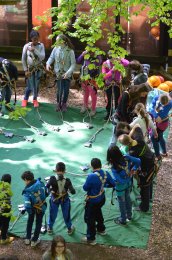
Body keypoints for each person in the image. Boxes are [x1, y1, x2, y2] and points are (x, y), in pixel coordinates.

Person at [118, 126, 156, 212]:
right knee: (149, 182)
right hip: (151, 161)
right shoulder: (139, 138)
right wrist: (129, 136)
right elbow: (137, 126)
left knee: (144, 186)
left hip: (145, 168)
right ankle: (148, 197)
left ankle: (144, 207)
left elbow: (132, 163)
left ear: (126, 144)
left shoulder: (132, 152)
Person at [82, 158, 116, 245]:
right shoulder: (105, 173)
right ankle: (101, 229)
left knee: (90, 219)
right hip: (101, 198)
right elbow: (113, 183)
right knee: (98, 212)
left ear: (92, 166)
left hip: (93, 201)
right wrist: (103, 186)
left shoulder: (91, 176)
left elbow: (85, 188)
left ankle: (91, 238)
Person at [107, 146, 141, 224]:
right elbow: (138, 161)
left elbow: (119, 180)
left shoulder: (114, 167)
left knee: (122, 203)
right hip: (129, 183)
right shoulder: (126, 158)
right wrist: (134, 169)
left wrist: (111, 183)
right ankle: (129, 216)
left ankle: (123, 219)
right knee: (128, 199)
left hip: (120, 187)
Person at [46, 34, 76, 112]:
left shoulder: (70, 51)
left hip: (67, 74)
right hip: (58, 74)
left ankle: (64, 104)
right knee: (59, 90)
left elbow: (73, 64)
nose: (56, 42)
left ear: (63, 41)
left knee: (66, 90)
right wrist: (48, 64)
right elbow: (51, 57)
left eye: (58, 41)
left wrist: (68, 73)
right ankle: (58, 103)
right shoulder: (56, 49)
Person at [46, 162, 76, 235]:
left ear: (56, 170)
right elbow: (73, 192)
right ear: (64, 170)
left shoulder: (52, 178)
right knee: (66, 214)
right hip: (65, 199)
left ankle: (50, 228)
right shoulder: (68, 180)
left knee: (52, 213)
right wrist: (68, 189)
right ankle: (69, 228)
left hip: (54, 199)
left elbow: (47, 187)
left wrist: (51, 189)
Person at [21, 171, 47, 247]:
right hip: (42, 206)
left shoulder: (26, 191)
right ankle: (34, 240)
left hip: (32, 209)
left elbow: (27, 205)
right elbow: (47, 192)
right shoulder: (41, 183)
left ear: (26, 179)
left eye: (24, 180)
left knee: (30, 222)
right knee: (39, 223)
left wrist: (30, 212)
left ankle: (27, 239)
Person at [21, 29, 45, 108]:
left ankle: (35, 99)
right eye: (34, 39)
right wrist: (25, 70)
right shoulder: (26, 46)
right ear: (31, 39)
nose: (36, 41)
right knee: (30, 85)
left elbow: (42, 57)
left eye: (37, 39)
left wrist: (35, 50)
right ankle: (25, 99)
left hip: (38, 69)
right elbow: (23, 59)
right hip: (30, 70)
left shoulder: (41, 46)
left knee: (36, 85)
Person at [102, 53, 129, 120]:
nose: (114, 60)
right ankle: (109, 113)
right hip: (109, 84)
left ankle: (117, 113)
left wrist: (121, 59)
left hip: (117, 84)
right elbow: (104, 76)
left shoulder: (119, 62)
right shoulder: (105, 64)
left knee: (118, 99)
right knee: (109, 99)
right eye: (112, 59)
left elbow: (128, 63)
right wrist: (112, 71)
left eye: (115, 58)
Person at [77, 49, 102, 116]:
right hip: (84, 77)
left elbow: (99, 62)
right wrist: (82, 54)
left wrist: (96, 54)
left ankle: (93, 109)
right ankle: (85, 106)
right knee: (85, 92)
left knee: (93, 93)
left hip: (92, 78)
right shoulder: (85, 55)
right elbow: (78, 61)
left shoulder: (96, 56)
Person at [150, 93, 172, 159]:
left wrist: (155, 115)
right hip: (161, 122)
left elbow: (161, 115)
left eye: (166, 104)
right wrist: (156, 115)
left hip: (162, 124)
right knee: (160, 136)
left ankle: (157, 155)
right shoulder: (157, 97)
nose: (165, 105)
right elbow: (150, 107)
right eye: (163, 104)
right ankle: (164, 152)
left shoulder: (170, 103)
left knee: (153, 138)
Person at [0, 174, 14, 245]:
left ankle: (1, 231)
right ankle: (3, 239)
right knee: (5, 224)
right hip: (5, 209)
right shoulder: (7, 190)